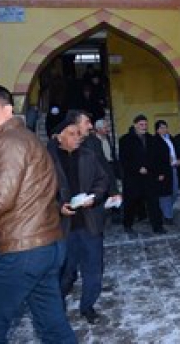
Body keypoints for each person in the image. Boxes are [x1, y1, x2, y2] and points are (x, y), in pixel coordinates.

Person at [0, 84, 76, 343]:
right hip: (46, 245)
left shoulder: (9, 141)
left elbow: (0, 199)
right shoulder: (23, 137)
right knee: (52, 328)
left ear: (8, 109)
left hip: (24, 250)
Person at [48, 120, 116, 324]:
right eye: (71, 134)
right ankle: (57, 307)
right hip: (63, 228)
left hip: (89, 224)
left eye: (78, 134)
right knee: (66, 273)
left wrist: (94, 197)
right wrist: (58, 206)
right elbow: (40, 192)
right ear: (59, 137)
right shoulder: (47, 160)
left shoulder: (89, 156)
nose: (77, 137)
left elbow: (102, 180)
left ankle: (88, 306)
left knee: (94, 270)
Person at [119, 114, 165, 234]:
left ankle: (157, 226)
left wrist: (156, 171)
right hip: (133, 178)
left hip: (149, 177)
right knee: (130, 203)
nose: (144, 127)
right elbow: (124, 160)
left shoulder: (151, 139)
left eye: (145, 125)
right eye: (141, 125)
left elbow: (156, 158)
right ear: (135, 125)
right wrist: (137, 168)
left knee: (154, 202)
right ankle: (127, 224)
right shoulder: (125, 140)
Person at [155, 120, 178, 224]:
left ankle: (164, 211)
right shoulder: (155, 141)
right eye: (162, 128)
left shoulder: (170, 138)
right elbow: (155, 158)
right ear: (157, 130)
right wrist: (159, 173)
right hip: (163, 171)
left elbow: (176, 151)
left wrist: (178, 159)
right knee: (165, 195)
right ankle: (168, 216)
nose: (165, 129)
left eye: (166, 127)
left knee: (174, 192)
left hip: (173, 168)